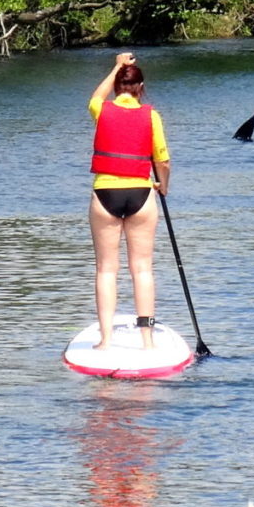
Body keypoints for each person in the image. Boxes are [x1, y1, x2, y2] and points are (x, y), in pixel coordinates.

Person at [87, 52, 170, 348]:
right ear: (141, 88)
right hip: (141, 195)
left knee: (106, 270)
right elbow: (163, 162)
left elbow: (96, 97)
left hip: (105, 195)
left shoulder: (102, 109)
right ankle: (147, 341)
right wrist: (163, 187)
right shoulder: (151, 115)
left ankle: (106, 340)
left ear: (116, 86)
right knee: (142, 269)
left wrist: (116, 67)